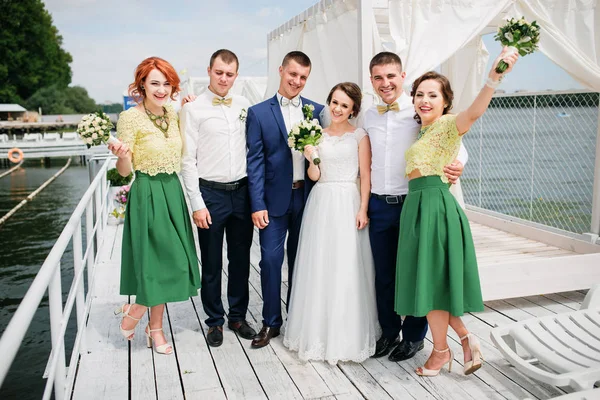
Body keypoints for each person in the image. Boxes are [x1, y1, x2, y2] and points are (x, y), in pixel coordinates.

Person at [395, 47, 518, 376]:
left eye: (432, 95)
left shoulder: (449, 124)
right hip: (417, 206)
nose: (425, 100)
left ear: (445, 101)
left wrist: (494, 77)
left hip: (434, 206)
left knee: (432, 283)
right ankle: (462, 341)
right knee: (432, 283)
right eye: (419, 94)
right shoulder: (422, 130)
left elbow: (475, 113)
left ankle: (442, 352)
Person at [364, 52, 468, 362]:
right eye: (379, 77)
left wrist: (458, 164)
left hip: (414, 204)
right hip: (379, 205)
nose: (386, 83)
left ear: (402, 76)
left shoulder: (420, 109)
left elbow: (457, 144)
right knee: (384, 275)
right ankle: (388, 332)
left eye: (391, 76)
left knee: (417, 273)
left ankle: (413, 338)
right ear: (372, 81)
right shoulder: (368, 115)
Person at [110, 56, 201, 355]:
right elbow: (124, 171)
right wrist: (122, 154)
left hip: (172, 191)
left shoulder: (174, 114)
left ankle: (137, 312)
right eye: (154, 83)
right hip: (147, 191)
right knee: (154, 265)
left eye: (166, 84)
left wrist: (190, 106)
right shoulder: (130, 118)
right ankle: (152, 326)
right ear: (142, 85)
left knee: (174, 261)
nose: (161, 89)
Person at [283, 82, 379, 364]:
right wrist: (311, 157)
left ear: (353, 110)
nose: (337, 109)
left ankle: (347, 333)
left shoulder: (359, 136)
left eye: (344, 105)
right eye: (334, 102)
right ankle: (317, 333)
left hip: (348, 200)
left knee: (347, 265)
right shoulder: (317, 135)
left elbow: (365, 175)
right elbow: (314, 176)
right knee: (320, 264)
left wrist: (363, 208)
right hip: (322, 202)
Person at [246, 51, 324, 348]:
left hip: (307, 198)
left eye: (303, 77)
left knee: (301, 260)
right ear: (281, 71)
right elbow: (254, 162)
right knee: (269, 260)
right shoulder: (258, 112)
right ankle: (271, 322)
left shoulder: (316, 111)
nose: (297, 81)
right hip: (273, 202)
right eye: (293, 75)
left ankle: (298, 318)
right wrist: (257, 204)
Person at [180, 49, 257, 347]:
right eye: (219, 72)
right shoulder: (193, 108)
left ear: (236, 75)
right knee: (211, 262)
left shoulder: (245, 105)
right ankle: (214, 321)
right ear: (209, 70)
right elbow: (187, 160)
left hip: (241, 192)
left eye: (230, 74)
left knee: (240, 259)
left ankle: (237, 316)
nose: (224, 78)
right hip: (209, 193)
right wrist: (197, 203)